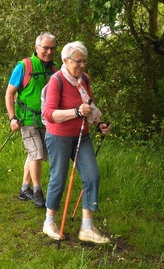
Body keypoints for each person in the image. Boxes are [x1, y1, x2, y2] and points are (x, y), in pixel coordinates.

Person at [40, 41, 112, 244]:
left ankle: (87, 227)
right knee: (59, 178)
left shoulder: (84, 80)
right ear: (65, 60)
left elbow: (89, 105)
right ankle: (49, 222)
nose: (82, 66)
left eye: (85, 61)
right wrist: (75, 112)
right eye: (78, 62)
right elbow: (49, 113)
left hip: (82, 135)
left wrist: (99, 124)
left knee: (92, 176)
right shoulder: (57, 80)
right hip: (58, 136)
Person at [5, 32, 58, 208]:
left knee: (35, 154)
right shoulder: (24, 66)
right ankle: (37, 191)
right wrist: (12, 117)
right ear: (37, 48)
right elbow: (9, 93)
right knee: (36, 153)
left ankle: (24, 189)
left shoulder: (54, 68)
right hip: (26, 119)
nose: (49, 52)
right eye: (45, 48)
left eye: (52, 48)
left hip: (46, 120)